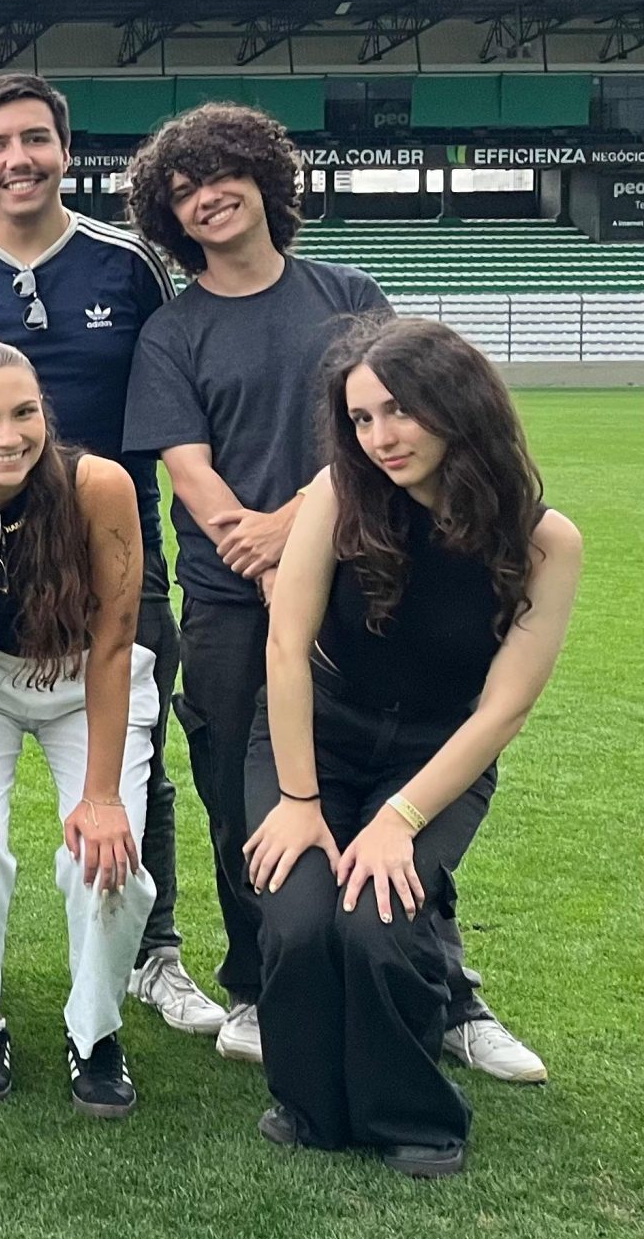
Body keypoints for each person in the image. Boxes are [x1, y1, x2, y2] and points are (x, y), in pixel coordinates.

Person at [117, 106, 541, 1086]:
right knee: (241, 795)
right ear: (166, 216)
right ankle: (262, 982)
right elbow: (186, 467)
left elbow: (385, 427)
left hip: (368, 583)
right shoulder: (170, 328)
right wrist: (253, 542)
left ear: (264, 178)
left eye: (220, 175)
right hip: (230, 597)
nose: (204, 198)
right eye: (180, 191)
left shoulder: (346, 294)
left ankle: (445, 994)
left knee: (400, 782)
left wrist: (298, 529)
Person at [0, 73, 223, 1039]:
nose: (17, 159)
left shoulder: (129, 264)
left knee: (134, 771)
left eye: (35, 139)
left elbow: (168, 385)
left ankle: (154, 951)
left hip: (110, 542)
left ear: (64, 152)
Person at [243, 318, 579, 1177]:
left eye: (399, 411)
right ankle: (310, 1104)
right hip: (308, 740)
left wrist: (400, 817)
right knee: (302, 913)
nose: (379, 437)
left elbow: (502, 711)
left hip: (435, 757)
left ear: (455, 404)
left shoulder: (546, 543)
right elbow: (285, 648)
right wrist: (300, 800)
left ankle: (414, 1115)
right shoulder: (336, 494)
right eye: (360, 419)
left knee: (376, 920)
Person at [0, 336, 157, 1116]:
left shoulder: (97, 485)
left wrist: (103, 795)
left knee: (106, 857)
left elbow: (115, 640)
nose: (8, 435)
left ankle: (95, 1032)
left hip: (90, 681)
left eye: (24, 412)